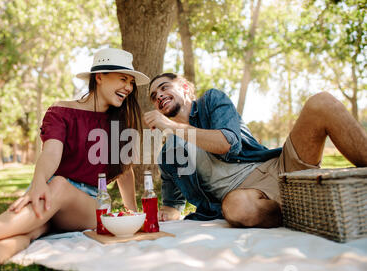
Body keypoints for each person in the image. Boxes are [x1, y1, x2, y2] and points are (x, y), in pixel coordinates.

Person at [0, 48, 150, 271]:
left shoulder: (120, 122)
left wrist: (132, 212)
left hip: (90, 205)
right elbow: (51, 152)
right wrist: (38, 182)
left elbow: (124, 171)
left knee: (58, 185)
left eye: (130, 82)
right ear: (99, 76)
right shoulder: (62, 111)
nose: (128, 88)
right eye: (123, 79)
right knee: (29, 233)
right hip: (50, 193)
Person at [144, 72, 367, 227]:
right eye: (154, 97)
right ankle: (301, 211)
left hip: (278, 168)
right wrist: (166, 212)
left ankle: (307, 198)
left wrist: (172, 126)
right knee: (237, 208)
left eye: (164, 88)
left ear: (184, 87)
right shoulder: (169, 154)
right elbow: (173, 206)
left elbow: (228, 143)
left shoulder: (211, 101)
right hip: (247, 198)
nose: (159, 96)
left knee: (321, 103)